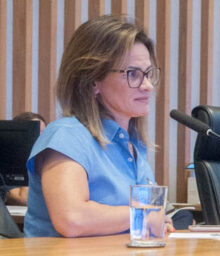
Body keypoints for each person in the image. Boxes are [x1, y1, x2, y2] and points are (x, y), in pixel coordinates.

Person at [24, 15, 170, 238]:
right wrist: (145, 214)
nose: (148, 86)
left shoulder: (134, 147)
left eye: (149, 74)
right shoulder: (66, 136)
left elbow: (148, 224)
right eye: (133, 74)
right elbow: (72, 218)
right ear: (93, 81)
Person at [0, 112, 47, 206]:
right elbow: (24, 199)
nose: (41, 139)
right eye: (35, 133)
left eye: (44, 133)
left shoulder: (46, 163)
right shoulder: (7, 166)